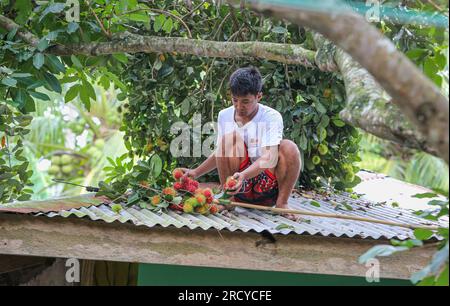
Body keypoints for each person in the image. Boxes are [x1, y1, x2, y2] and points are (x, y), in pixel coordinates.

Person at [179, 67, 302, 220]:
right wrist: (196, 172)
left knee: (289, 147)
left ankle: (282, 203)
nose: (238, 106)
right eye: (235, 100)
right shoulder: (224, 115)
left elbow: (269, 157)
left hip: (267, 190)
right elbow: (220, 152)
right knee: (228, 140)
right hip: (238, 190)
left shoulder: (271, 116)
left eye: (245, 102)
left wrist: (244, 175)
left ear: (259, 96)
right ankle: (228, 200)